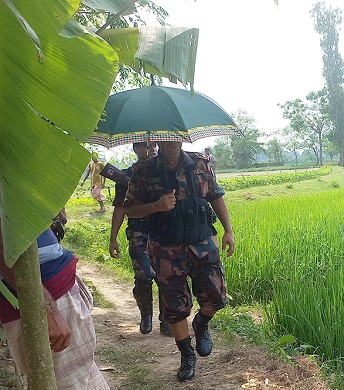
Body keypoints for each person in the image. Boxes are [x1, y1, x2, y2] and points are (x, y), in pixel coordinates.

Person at [123, 141, 235, 382]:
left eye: (176, 134)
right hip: (166, 247)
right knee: (175, 307)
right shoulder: (143, 170)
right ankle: (187, 355)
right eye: (167, 135)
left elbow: (215, 196)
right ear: (158, 139)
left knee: (216, 296)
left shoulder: (200, 163)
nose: (172, 139)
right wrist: (156, 206)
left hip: (203, 243)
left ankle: (202, 323)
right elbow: (130, 210)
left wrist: (229, 231)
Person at [0, 223, 109, 389]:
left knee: (80, 376)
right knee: (66, 383)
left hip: (53, 290)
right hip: (42, 295)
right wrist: (47, 310)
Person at [109, 142, 171, 336]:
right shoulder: (127, 176)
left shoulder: (166, 173)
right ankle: (145, 313)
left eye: (154, 146)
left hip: (163, 231)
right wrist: (113, 238)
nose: (151, 150)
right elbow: (120, 208)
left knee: (165, 276)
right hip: (139, 231)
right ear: (135, 150)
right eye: (145, 146)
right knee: (145, 274)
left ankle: (166, 320)